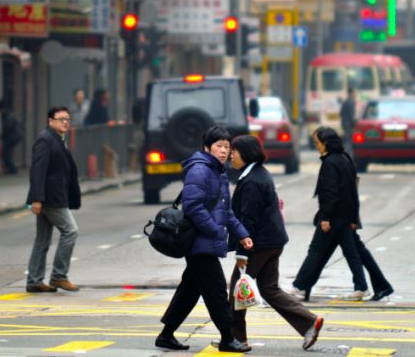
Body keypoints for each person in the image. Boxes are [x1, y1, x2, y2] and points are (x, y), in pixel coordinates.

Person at [157, 126, 253, 354]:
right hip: (199, 243)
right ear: (207, 148)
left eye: (227, 147)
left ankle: (166, 335)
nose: (223, 150)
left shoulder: (218, 172)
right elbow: (192, 207)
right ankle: (228, 339)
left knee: (189, 290)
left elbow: (226, 211)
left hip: (206, 241)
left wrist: (242, 233)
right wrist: (215, 231)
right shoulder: (200, 170)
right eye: (219, 146)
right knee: (217, 290)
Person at [228, 135, 324, 350]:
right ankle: (309, 323)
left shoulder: (251, 180)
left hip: (258, 244)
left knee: (237, 288)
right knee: (269, 288)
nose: (231, 155)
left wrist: (242, 252)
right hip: (272, 241)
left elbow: (248, 219)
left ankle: (236, 338)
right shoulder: (259, 173)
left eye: (234, 150)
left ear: (246, 153)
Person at [291, 126, 369, 302]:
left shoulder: (330, 163)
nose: (316, 146)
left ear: (326, 143)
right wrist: (353, 217)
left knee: (315, 250)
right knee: (350, 251)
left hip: (333, 218)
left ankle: (300, 286)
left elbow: (330, 194)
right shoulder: (345, 159)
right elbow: (352, 192)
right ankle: (361, 286)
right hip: (345, 216)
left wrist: (325, 218)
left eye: (317, 143)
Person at [25, 106, 81, 293]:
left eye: (67, 119)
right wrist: (37, 199)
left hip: (52, 196)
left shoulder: (56, 139)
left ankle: (34, 280)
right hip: (50, 198)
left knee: (42, 239)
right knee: (70, 231)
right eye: (60, 119)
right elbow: (38, 170)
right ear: (50, 121)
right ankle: (59, 276)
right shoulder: (45, 139)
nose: (65, 122)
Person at [0, 103, 23, 175]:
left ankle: (12, 169)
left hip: (12, 137)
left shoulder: (8, 116)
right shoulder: (9, 115)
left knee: (6, 153)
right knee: (7, 153)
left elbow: (8, 128)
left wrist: (1, 136)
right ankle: (11, 169)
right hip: (13, 137)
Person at [340, 87, 356, 154]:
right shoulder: (351, 102)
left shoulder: (346, 101)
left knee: (347, 139)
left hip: (344, 123)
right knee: (350, 140)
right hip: (349, 124)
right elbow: (351, 114)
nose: (355, 94)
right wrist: (353, 123)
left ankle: (348, 153)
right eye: (354, 93)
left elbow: (341, 113)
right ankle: (349, 154)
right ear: (351, 93)